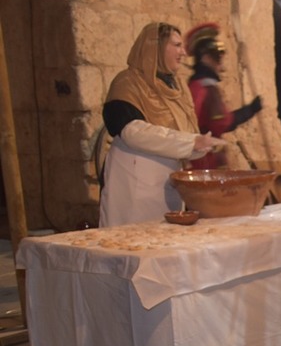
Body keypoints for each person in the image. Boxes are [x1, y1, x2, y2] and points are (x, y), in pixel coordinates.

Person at [100, 22, 225, 227]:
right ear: (156, 47)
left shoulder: (177, 87)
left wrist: (198, 146)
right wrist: (190, 143)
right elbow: (133, 132)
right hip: (135, 183)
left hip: (167, 184)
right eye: (176, 45)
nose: (183, 52)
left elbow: (185, 132)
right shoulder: (128, 83)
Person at [183, 22, 263, 169]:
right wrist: (250, 110)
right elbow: (221, 123)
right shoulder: (208, 89)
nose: (221, 66)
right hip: (205, 162)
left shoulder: (193, 85)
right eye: (217, 58)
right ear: (206, 58)